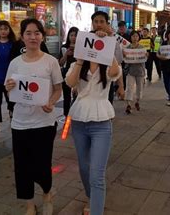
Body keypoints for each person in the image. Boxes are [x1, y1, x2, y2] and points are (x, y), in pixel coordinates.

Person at [65, 11, 122, 215]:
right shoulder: (77, 61)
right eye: (95, 21)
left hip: (101, 121)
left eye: (102, 22)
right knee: (83, 168)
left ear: (107, 25)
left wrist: (108, 45)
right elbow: (70, 83)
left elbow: (115, 73)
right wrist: (79, 60)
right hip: (79, 120)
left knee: (97, 174)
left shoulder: (107, 59)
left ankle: (96, 208)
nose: (98, 25)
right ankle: (91, 197)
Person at [4, 18, 63, 215]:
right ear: (22, 37)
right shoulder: (15, 63)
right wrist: (9, 87)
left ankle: (46, 193)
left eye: (37, 33)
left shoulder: (51, 61)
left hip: (44, 122)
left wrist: (52, 102)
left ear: (42, 36)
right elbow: (8, 88)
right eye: (28, 33)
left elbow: (58, 89)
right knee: (22, 167)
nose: (33, 37)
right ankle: (29, 204)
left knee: (42, 164)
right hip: (20, 123)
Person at [123, 31, 148, 114]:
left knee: (139, 88)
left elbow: (145, 59)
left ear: (139, 37)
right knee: (129, 88)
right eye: (133, 36)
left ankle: (137, 101)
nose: (135, 38)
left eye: (136, 36)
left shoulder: (142, 47)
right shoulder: (127, 48)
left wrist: (146, 55)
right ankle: (128, 104)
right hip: (130, 71)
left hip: (140, 71)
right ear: (130, 37)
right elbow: (124, 59)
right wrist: (124, 55)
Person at [59, 27, 79, 116]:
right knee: (66, 96)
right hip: (66, 73)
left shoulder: (82, 48)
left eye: (75, 35)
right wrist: (66, 54)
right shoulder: (64, 48)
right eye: (71, 35)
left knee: (77, 95)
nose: (73, 37)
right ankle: (66, 114)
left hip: (78, 73)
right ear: (68, 36)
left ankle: (76, 114)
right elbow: (60, 63)